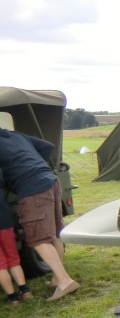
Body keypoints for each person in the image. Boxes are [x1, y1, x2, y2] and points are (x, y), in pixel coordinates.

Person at [0, 126, 79, 301]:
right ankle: (57, 278)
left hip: (31, 189)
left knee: (38, 239)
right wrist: (36, 166)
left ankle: (65, 281)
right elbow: (46, 146)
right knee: (53, 235)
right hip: (50, 180)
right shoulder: (15, 134)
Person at [0, 167, 33, 306]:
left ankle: (13, 298)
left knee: (1, 265)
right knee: (13, 259)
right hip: (5, 221)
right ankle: (25, 291)